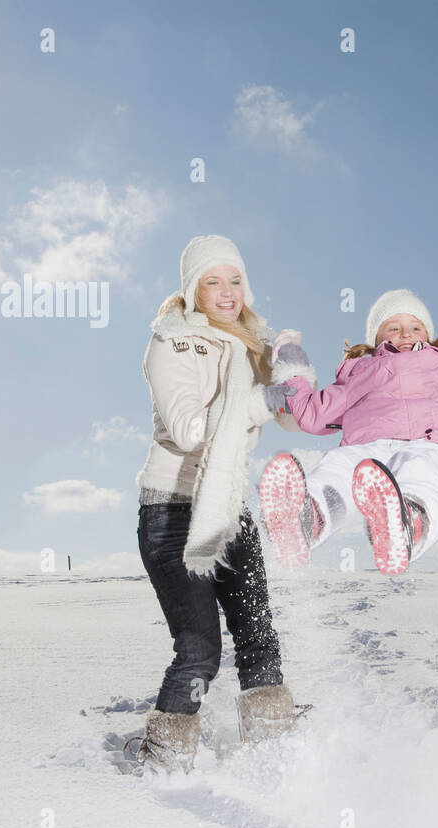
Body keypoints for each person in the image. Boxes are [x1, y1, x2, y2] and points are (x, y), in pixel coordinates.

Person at [133, 234, 317, 773]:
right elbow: (191, 430)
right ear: (193, 289)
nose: (226, 291)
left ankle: (273, 753)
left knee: (259, 636)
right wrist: (261, 400)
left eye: (234, 280)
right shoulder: (171, 343)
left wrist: (293, 376)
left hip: (229, 509)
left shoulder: (253, 347)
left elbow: (288, 417)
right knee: (199, 651)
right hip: (171, 509)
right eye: (212, 282)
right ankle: (164, 766)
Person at [257, 280, 438, 575]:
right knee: (336, 469)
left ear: (428, 334)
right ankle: (304, 517)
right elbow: (314, 414)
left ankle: (409, 524)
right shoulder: (358, 371)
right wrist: (293, 368)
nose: (405, 334)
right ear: (376, 339)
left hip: (433, 443)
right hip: (365, 449)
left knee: (424, 474)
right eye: (393, 328)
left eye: (415, 327)